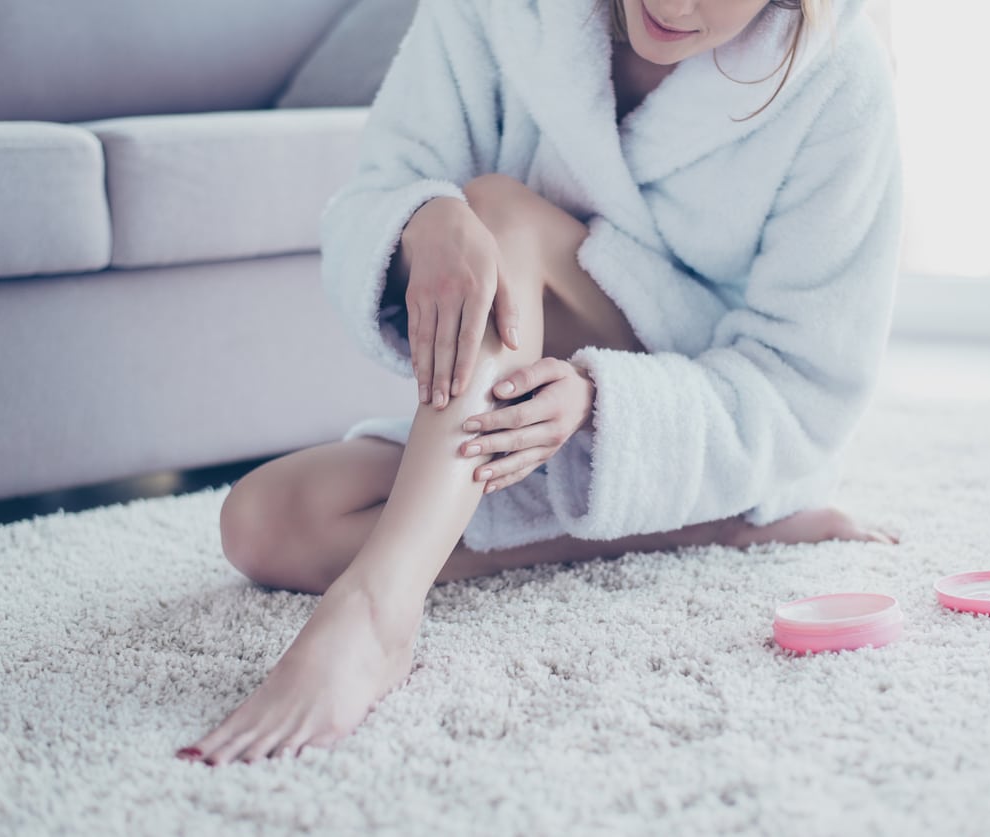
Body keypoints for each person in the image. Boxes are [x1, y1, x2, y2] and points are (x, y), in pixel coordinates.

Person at [176, 0, 903, 766]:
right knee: (265, 523)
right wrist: (421, 218)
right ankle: (701, 523)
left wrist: (605, 404)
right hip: (518, 403)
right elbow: (376, 191)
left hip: (693, 418)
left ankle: (379, 609)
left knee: (500, 210)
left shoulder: (838, 79)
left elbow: (802, 384)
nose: (672, 4)